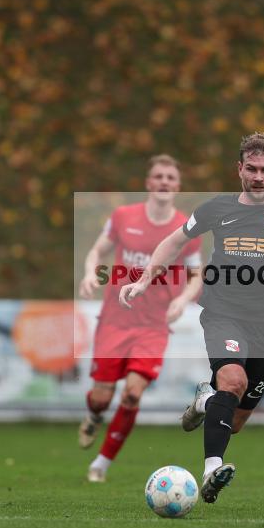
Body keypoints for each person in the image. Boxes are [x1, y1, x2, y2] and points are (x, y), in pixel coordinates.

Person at [119, 133, 264, 504]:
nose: (258, 176)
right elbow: (174, 241)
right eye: (251, 169)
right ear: (239, 169)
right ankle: (212, 467)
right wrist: (144, 279)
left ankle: (204, 401)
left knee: (237, 418)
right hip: (223, 314)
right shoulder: (217, 208)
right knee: (233, 381)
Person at [77, 154, 203, 483]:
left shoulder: (187, 228)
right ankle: (93, 415)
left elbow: (197, 276)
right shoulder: (122, 217)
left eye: (170, 178)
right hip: (115, 322)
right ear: (149, 183)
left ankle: (100, 465)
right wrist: (90, 273)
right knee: (102, 397)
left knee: (133, 393)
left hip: (153, 327)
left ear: (177, 187)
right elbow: (96, 250)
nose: (164, 182)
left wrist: (184, 299)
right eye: (158, 176)